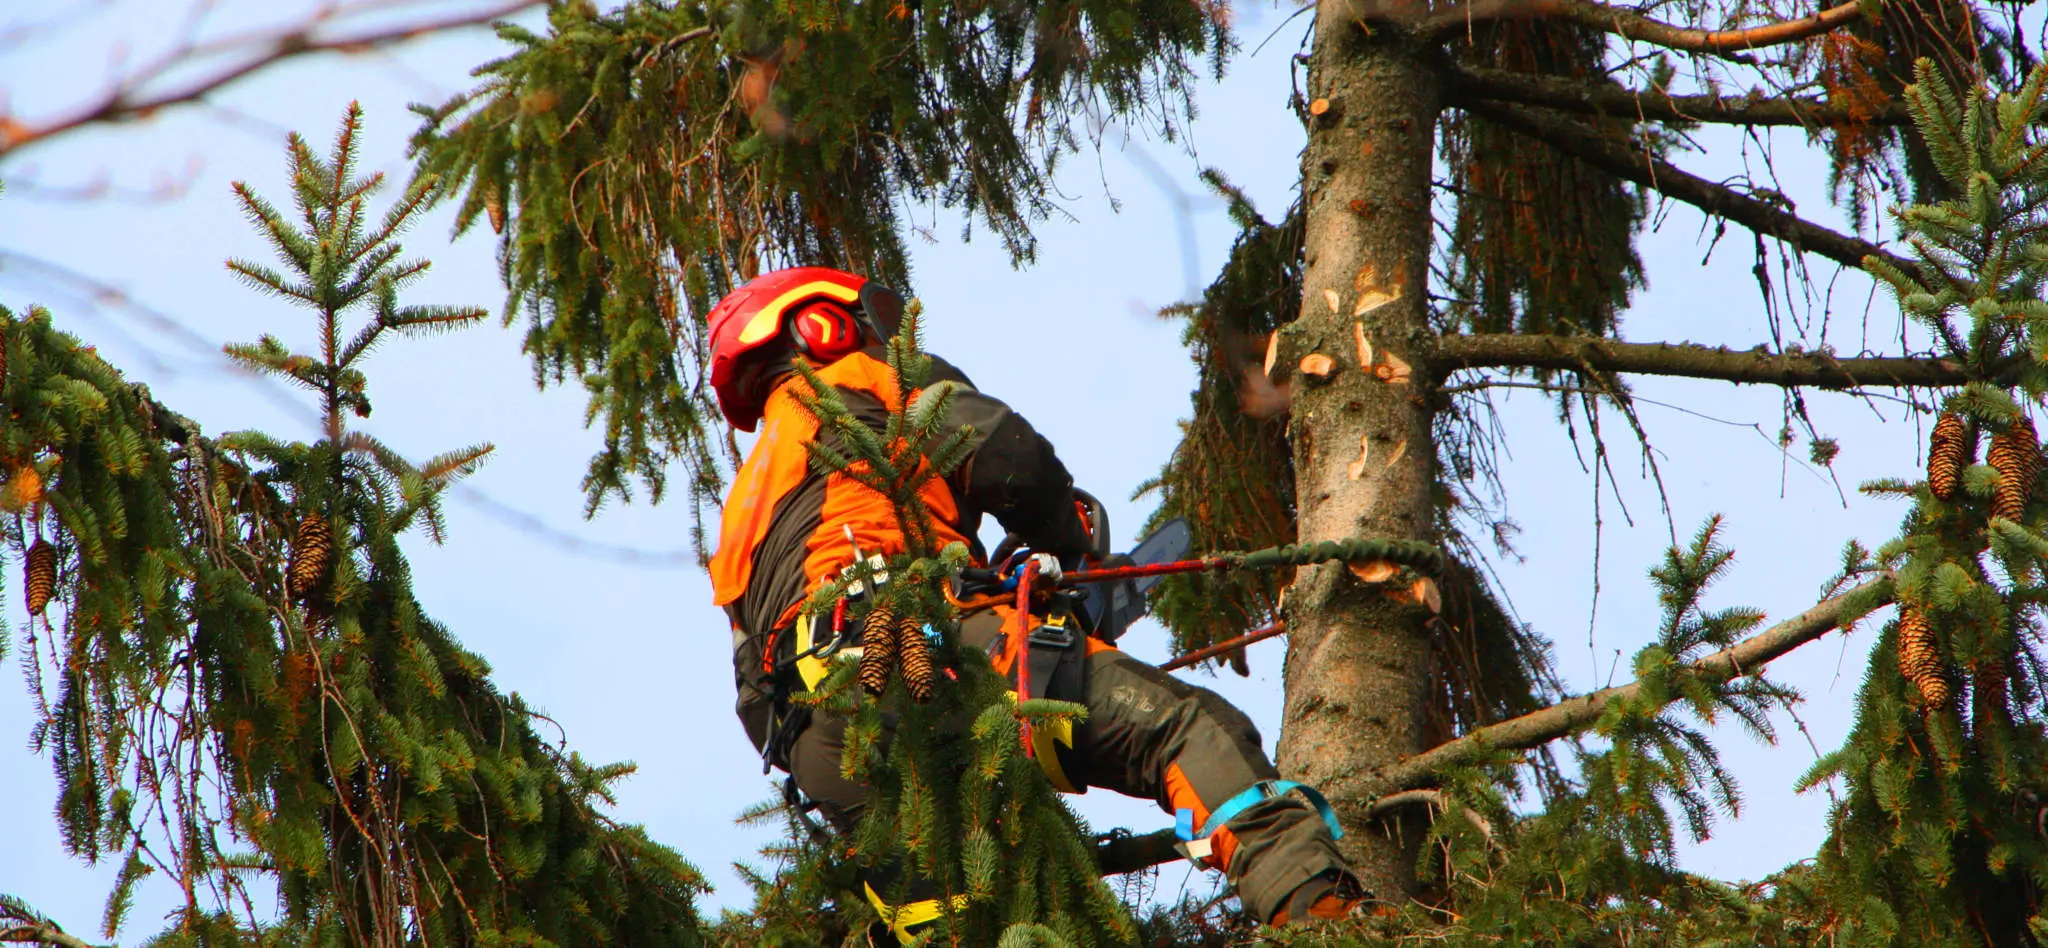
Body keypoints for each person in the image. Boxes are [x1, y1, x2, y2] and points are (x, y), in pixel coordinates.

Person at [706, 266, 1367, 940]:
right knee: (1185, 730)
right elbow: (1005, 457)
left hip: (821, 740)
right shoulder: (867, 380)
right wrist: (1073, 545)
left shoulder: (738, 520)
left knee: (959, 924)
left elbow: (753, 701)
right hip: (928, 642)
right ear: (820, 324)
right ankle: (1321, 915)